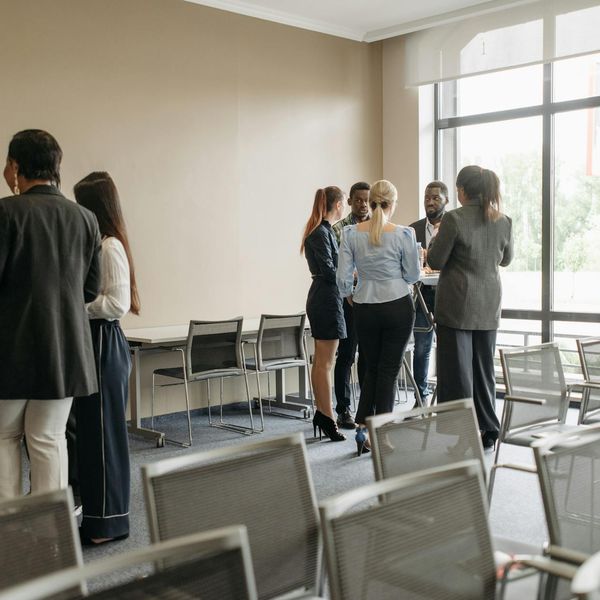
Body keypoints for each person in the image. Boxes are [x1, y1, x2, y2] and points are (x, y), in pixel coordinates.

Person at [0, 130, 101, 499]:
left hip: (10, 351)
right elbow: (89, 291)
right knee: (48, 439)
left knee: (4, 440)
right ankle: (49, 538)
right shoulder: (86, 218)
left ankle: (7, 538)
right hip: (65, 353)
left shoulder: (5, 212)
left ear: (14, 166)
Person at [73, 172, 140, 545]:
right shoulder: (97, 242)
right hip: (94, 341)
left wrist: (73, 308)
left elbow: (117, 303)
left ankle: (108, 524)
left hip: (104, 341)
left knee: (103, 436)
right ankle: (99, 519)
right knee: (93, 435)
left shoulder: (110, 246)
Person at [428, 165, 513, 450]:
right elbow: (506, 260)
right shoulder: (503, 220)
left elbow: (437, 261)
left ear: (462, 190)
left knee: (458, 374)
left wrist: (431, 246)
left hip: (456, 307)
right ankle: (489, 428)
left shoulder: (454, 219)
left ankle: (464, 435)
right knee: (484, 370)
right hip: (489, 305)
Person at [337, 180, 420, 456]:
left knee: (371, 368)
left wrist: (351, 294)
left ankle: (362, 427)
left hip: (365, 307)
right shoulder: (403, 235)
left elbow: (343, 278)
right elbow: (413, 275)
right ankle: (381, 434)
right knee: (388, 372)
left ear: (370, 202)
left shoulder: (350, 233)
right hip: (397, 305)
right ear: (392, 204)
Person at [301, 186, 347, 442]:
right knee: (325, 363)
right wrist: (350, 276)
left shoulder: (322, 231)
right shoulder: (321, 232)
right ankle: (328, 416)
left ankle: (323, 414)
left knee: (321, 361)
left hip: (325, 296)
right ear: (338, 204)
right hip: (326, 298)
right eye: (344, 204)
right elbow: (331, 271)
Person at [331, 181, 370, 429]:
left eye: (367, 200)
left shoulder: (376, 228)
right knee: (346, 356)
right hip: (348, 301)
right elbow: (339, 267)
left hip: (372, 300)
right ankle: (343, 409)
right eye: (358, 200)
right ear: (349, 202)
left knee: (367, 357)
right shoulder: (339, 230)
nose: (363, 204)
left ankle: (366, 409)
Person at [409, 180, 449, 404]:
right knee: (422, 347)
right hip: (422, 295)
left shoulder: (453, 226)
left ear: (446, 200)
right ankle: (419, 395)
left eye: (435, 198)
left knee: (447, 347)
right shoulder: (412, 229)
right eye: (427, 198)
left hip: (447, 296)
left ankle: (445, 396)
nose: (430, 202)